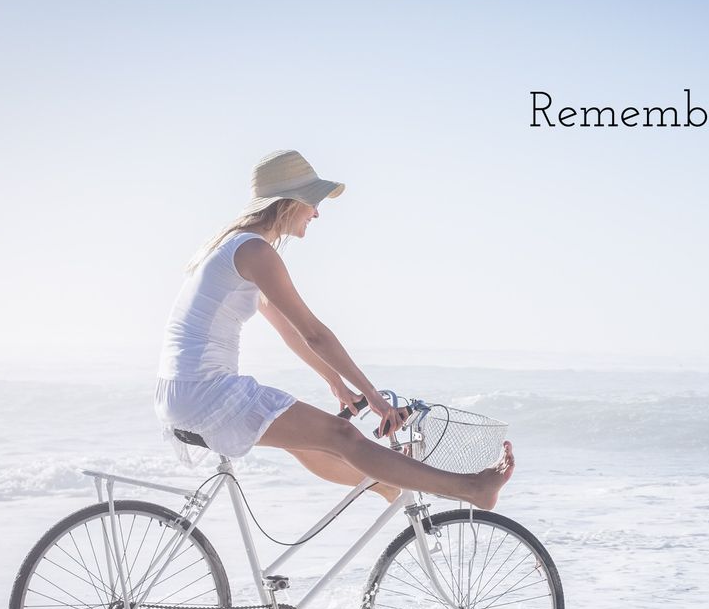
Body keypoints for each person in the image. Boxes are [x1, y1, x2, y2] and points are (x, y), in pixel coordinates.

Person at [154, 149, 514, 509]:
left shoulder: (235, 247)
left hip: (182, 393)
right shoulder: (255, 252)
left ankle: (383, 485)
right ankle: (471, 488)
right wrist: (372, 395)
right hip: (206, 393)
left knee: (308, 439)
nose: (317, 211)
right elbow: (314, 333)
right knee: (342, 434)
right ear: (289, 202)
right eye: (313, 201)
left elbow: (290, 332)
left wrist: (337, 384)